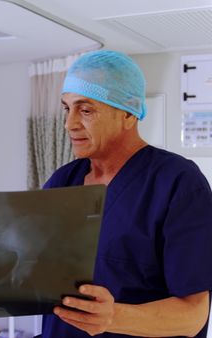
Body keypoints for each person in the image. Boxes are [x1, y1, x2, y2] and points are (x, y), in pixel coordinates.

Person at [41, 50, 212, 337]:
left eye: (85, 110)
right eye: (66, 109)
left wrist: (113, 317)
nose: (70, 124)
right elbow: (28, 275)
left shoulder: (177, 183)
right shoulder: (62, 182)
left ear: (129, 113)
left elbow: (193, 315)